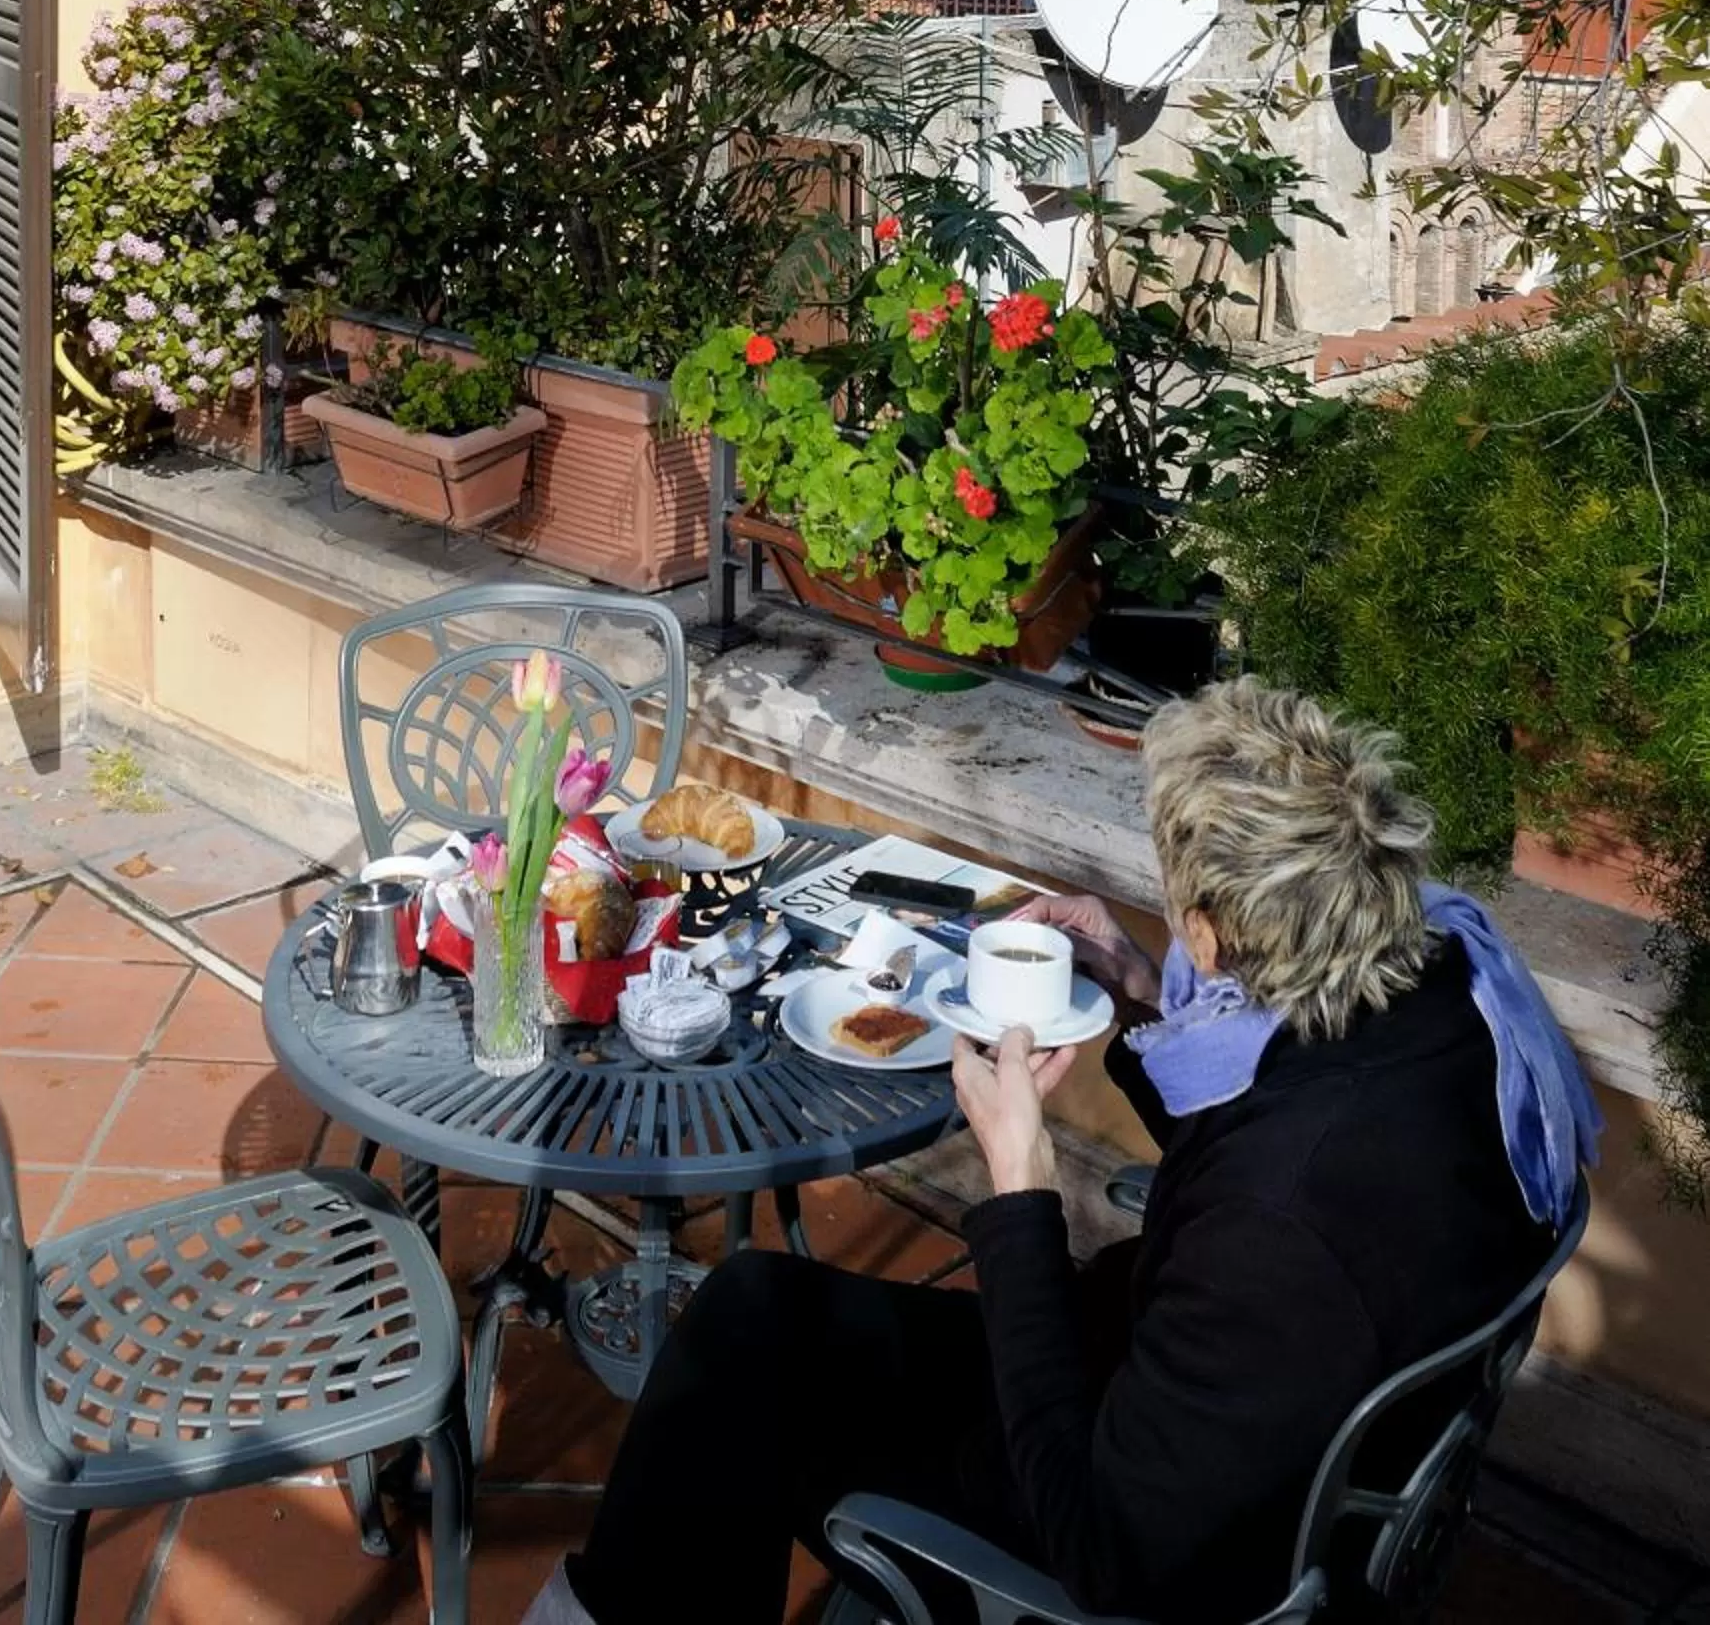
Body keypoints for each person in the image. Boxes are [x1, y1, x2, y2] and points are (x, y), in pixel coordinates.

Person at [517, 680, 1599, 1625]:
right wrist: (1139, 991)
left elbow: (1100, 1546)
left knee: (727, 1415)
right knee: (751, 1306)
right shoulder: (1441, 993)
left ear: (1212, 932)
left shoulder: (1278, 1226)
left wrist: (1021, 1189)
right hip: (1221, 1403)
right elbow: (1263, 1136)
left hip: (1139, 1519)